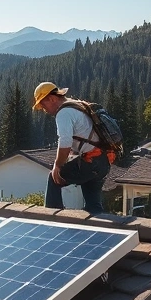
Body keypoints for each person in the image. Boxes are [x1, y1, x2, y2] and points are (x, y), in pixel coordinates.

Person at [32, 82, 111, 214]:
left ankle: (52, 220)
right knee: (93, 207)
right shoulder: (77, 105)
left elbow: (65, 141)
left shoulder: (63, 113)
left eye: (43, 104)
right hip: (102, 162)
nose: (43, 109)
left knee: (54, 178)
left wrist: (57, 166)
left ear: (52, 98)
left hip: (90, 162)